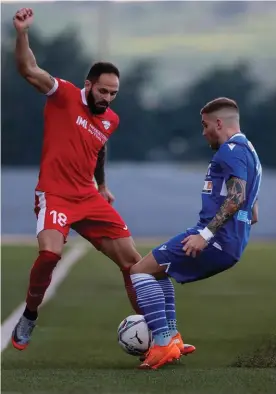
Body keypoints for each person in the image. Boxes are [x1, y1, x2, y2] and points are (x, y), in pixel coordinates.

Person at [11, 7, 144, 351]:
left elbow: (97, 149)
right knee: (50, 255)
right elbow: (27, 69)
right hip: (54, 194)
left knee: (135, 264)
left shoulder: (110, 120)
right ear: (89, 85)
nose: (108, 98)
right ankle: (30, 313)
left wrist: (101, 185)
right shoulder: (64, 94)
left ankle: (161, 336)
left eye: (113, 93)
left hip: (89, 198)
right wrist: (23, 32)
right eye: (103, 91)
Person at [130, 97, 262, 369]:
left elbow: (236, 197)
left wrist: (207, 235)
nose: (203, 133)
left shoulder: (231, 150)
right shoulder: (249, 151)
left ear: (218, 123)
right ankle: (172, 338)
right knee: (157, 270)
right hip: (230, 241)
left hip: (215, 237)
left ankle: (164, 342)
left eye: (204, 126)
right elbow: (253, 210)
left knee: (139, 272)